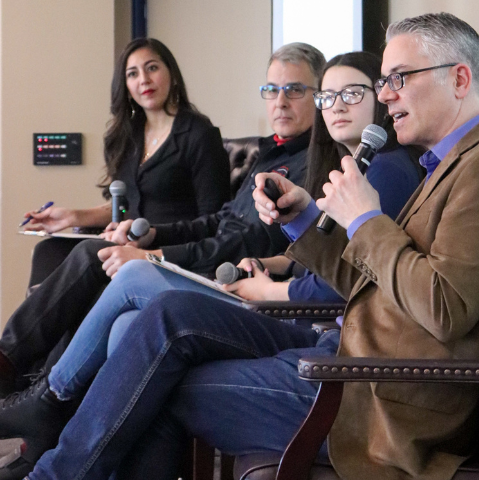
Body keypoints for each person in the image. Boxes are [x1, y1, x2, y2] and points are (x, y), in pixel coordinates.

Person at [5, 12, 479, 480]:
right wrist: (306, 221)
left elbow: (444, 309)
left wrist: (365, 217)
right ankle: (50, 434)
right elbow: (374, 284)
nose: (386, 96)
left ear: (459, 78)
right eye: (384, 81)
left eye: (399, 79)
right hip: (347, 355)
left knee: (153, 380)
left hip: (373, 400)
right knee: (168, 315)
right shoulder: (452, 166)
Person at [0, 51, 422, 478]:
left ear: (381, 99)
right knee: (123, 316)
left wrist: (269, 286)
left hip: (310, 326)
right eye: (328, 96)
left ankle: (48, 411)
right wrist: (269, 256)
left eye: (350, 93)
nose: (335, 105)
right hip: (279, 300)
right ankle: (46, 414)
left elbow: (348, 282)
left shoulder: (381, 171)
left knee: (135, 278)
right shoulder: (334, 167)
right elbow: (315, 257)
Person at [0, 42, 324, 398]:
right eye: (271, 90)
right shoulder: (270, 154)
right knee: (60, 256)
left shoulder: (308, 162)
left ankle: (35, 388)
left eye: (294, 90)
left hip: (226, 274)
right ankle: (36, 393)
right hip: (198, 257)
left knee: (99, 263)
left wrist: (156, 253)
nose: (280, 101)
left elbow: (249, 239)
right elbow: (220, 221)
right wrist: (151, 233)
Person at [23, 37, 231, 286]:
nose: (144, 79)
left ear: (172, 74)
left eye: (152, 68)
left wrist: (150, 234)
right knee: (50, 250)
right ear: (126, 86)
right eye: (133, 74)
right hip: (126, 242)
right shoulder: (127, 137)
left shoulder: (199, 134)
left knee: (90, 254)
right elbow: (123, 207)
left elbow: (214, 220)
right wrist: (71, 217)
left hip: (168, 250)